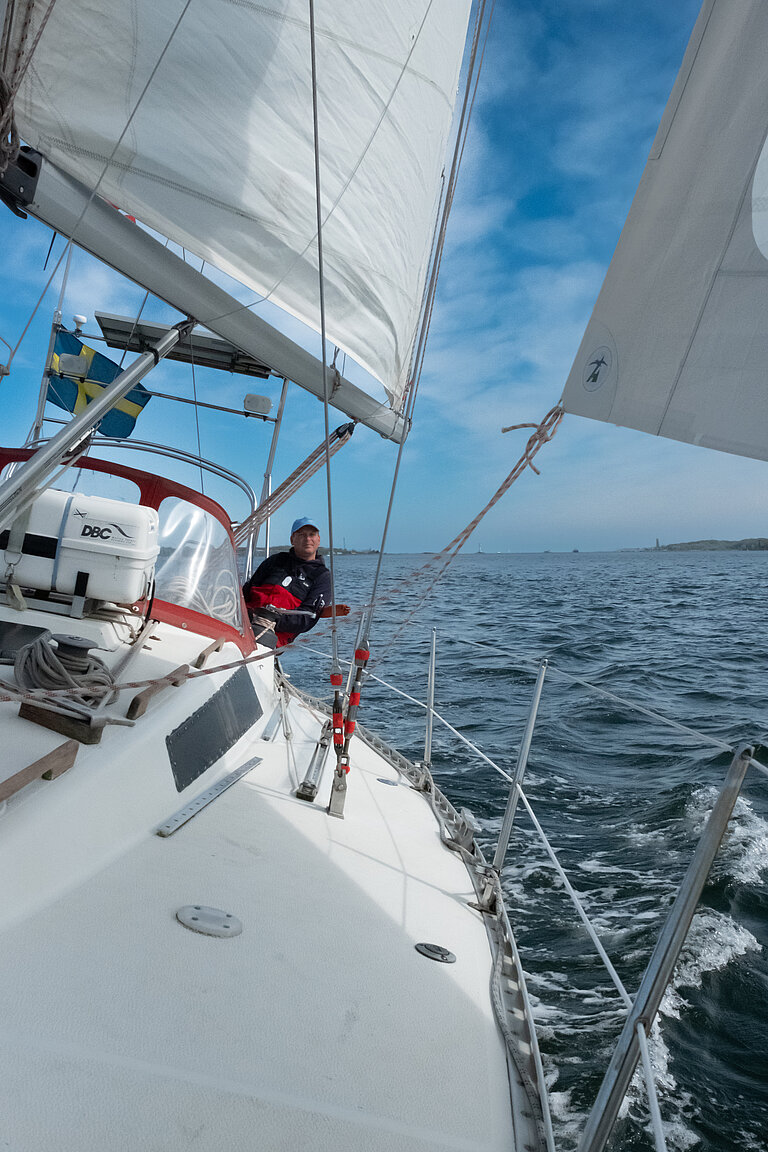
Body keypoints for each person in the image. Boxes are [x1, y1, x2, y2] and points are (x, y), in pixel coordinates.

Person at [243, 517, 341, 647]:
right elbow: (248, 590)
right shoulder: (275, 560)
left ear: (318, 540)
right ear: (292, 539)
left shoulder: (321, 576)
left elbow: (308, 618)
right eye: (301, 535)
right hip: (242, 623)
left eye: (312, 535)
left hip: (271, 637)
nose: (307, 539)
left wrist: (272, 620)